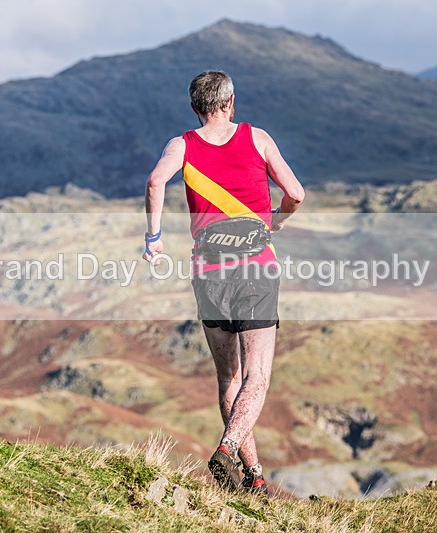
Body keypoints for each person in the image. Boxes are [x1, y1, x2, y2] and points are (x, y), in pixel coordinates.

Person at [143, 71, 304, 494]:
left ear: (194, 108)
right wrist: (278, 220)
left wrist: (154, 239)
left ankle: (252, 476)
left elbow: (156, 181)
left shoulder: (181, 145)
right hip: (256, 269)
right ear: (231, 103)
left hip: (209, 274)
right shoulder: (258, 138)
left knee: (228, 377)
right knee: (258, 376)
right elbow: (296, 192)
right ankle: (228, 449)